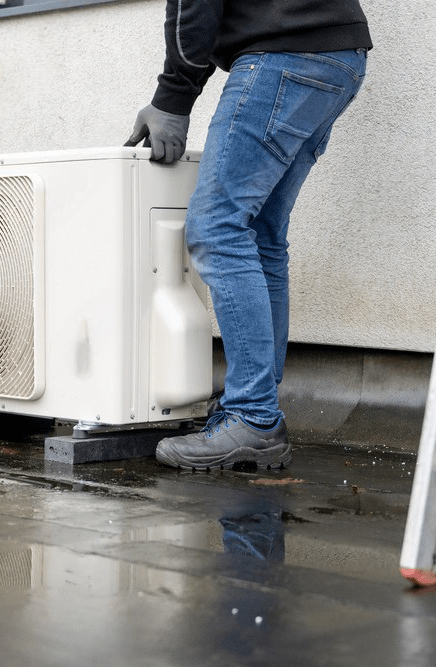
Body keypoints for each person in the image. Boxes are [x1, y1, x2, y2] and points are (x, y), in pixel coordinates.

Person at [126, 1, 371, 470]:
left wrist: (172, 97)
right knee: (259, 236)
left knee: (216, 228)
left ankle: (253, 416)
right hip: (339, 54)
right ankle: (257, 409)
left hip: (284, 53)